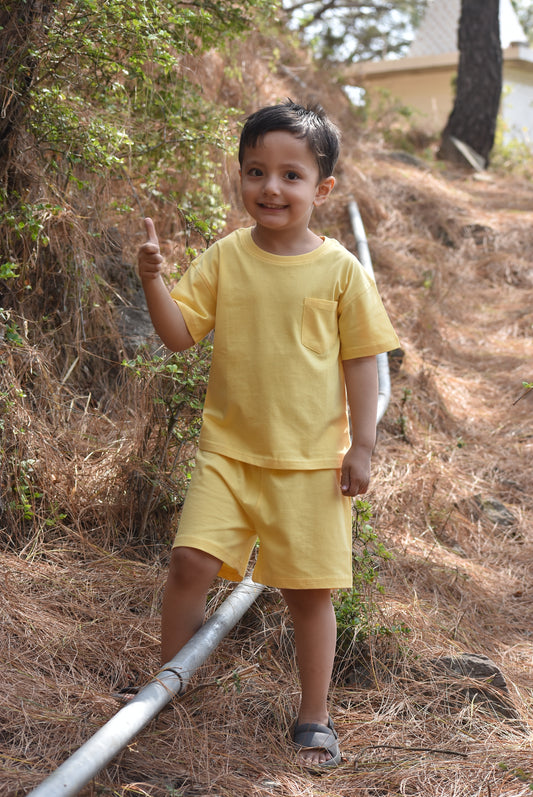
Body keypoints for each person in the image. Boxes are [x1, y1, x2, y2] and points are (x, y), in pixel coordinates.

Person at [137, 99, 399, 769]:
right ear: (240, 178)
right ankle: (170, 685)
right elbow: (176, 336)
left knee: (307, 592)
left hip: (310, 462)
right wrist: (152, 279)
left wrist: (361, 445)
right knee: (188, 562)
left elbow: (361, 360)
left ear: (323, 188)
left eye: (290, 175)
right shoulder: (226, 256)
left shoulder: (339, 269)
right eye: (255, 172)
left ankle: (314, 715)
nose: (270, 188)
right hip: (229, 452)